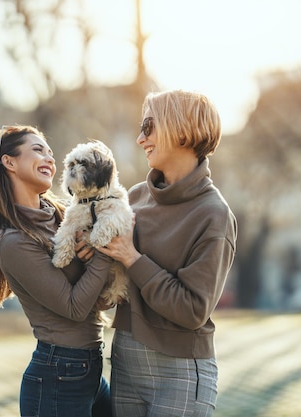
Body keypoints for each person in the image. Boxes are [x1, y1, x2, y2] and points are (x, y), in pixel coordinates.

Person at [98, 90, 238, 417]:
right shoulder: (133, 197)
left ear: (183, 132)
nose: (139, 138)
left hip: (182, 372)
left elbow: (192, 310)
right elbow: (111, 283)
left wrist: (133, 258)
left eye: (148, 126)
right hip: (126, 361)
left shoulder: (213, 215)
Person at [0, 124, 114, 417]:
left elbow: (97, 298)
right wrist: (103, 252)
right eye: (38, 150)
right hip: (58, 377)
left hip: (90, 369)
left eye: (50, 152)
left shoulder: (65, 216)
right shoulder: (13, 241)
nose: (50, 158)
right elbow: (75, 308)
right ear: (9, 162)